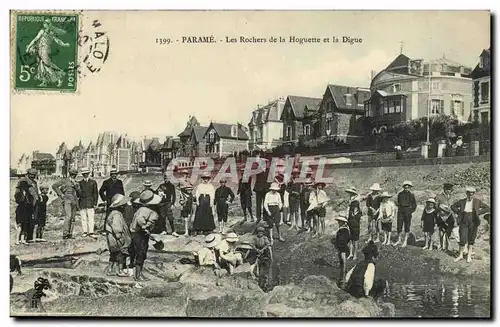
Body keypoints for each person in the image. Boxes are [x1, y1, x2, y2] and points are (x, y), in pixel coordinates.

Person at [451, 187, 489, 263]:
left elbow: (487, 208)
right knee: (462, 237)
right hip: (464, 220)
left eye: (472, 194)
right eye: (469, 194)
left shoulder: (477, 201)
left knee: (471, 238)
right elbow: (453, 206)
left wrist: (478, 213)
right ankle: (461, 255)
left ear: (474, 194)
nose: (470, 195)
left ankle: (469, 255)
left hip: (473, 220)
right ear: (466, 193)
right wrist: (459, 212)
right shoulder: (462, 201)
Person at [130, 190, 160, 282]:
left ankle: (139, 273)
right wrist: (145, 227)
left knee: (140, 253)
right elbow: (140, 219)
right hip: (139, 234)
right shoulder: (145, 210)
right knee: (141, 253)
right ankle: (138, 275)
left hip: (137, 233)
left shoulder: (141, 209)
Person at [104, 194, 132, 277]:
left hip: (112, 239)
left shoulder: (113, 213)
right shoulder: (117, 214)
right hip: (117, 239)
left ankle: (109, 270)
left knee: (113, 255)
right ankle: (120, 271)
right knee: (121, 255)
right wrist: (120, 237)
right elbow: (117, 228)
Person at [52, 168, 80, 240]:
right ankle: (65, 234)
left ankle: (70, 234)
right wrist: (61, 195)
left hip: (74, 201)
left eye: (75, 175)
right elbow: (54, 186)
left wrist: (76, 186)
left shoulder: (76, 182)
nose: (74, 176)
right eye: (72, 175)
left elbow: (79, 193)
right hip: (67, 200)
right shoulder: (64, 181)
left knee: (73, 218)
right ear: (70, 174)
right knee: (68, 216)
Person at [248, 225, 272, 290]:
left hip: (264, 253)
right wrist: (256, 249)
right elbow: (251, 244)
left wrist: (263, 249)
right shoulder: (255, 238)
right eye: (259, 233)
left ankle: (265, 282)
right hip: (256, 252)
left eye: (261, 233)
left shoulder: (265, 238)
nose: (260, 234)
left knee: (265, 267)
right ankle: (256, 276)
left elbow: (268, 244)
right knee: (254, 264)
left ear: (263, 233)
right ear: (257, 233)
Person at [123, 191, 141, 274]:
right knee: (127, 248)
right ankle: (125, 266)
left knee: (133, 248)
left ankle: (131, 264)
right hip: (128, 231)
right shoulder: (127, 207)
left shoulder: (135, 206)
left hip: (133, 230)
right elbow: (127, 220)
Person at [395, 180, 417, 247]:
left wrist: (410, 211)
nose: (406, 187)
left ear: (410, 187)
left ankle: (405, 241)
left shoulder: (411, 195)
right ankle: (399, 240)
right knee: (399, 225)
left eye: (408, 186)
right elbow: (398, 202)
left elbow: (414, 205)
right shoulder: (400, 194)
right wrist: (399, 206)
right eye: (405, 186)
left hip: (408, 211)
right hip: (400, 210)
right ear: (403, 187)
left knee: (407, 226)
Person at [78, 167, 99, 239]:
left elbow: (95, 193)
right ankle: (85, 232)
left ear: (89, 174)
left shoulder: (93, 182)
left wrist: (95, 203)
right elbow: (78, 194)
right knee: (83, 218)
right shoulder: (80, 183)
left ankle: (91, 232)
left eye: (86, 173)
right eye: (84, 174)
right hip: (82, 202)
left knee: (91, 218)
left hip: (90, 202)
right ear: (82, 174)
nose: (85, 175)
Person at [334, 215, 351, 286]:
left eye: (339, 222)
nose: (338, 223)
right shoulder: (345, 229)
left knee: (343, 259)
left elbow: (343, 239)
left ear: (343, 222)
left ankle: (343, 274)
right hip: (342, 246)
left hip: (342, 246)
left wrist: (340, 245)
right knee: (341, 258)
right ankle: (343, 272)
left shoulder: (343, 230)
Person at [346, 187, 362, 260]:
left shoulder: (356, 202)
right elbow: (348, 211)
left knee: (355, 239)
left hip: (355, 223)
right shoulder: (350, 202)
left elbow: (358, 213)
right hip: (350, 221)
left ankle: (354, 254)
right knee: (350, 239)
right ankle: (351, 253)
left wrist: (354, 215)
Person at [14, 178, 31, 245]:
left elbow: (30, 201)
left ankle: (22, 239)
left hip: (26, 210)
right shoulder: (18, 194)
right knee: (19, 225)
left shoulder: (28, 194)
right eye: (24, 187)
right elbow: (18, 201)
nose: (25, 188)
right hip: (20, 210)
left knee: (25, 225)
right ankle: (17, 240)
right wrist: (23, 196)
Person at [178, 169, 195, 236]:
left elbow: (192, 186)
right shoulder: (180, 180)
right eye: (184, 173)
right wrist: (181, 191)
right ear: (182, 174)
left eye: (186, 174)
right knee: (185, 215)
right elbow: (178, 187)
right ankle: (186, 231)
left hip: (189, 195)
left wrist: (189, 189)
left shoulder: (189, 180)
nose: (185, 175)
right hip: (183, 195)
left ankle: (190, 229)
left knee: (190, 214)